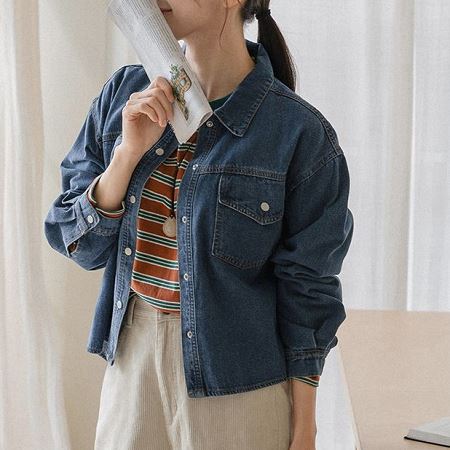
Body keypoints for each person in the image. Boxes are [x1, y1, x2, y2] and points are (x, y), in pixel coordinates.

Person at [44, 0, 354, 449]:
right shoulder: (123, 96)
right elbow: (74, 241)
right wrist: (126, 155)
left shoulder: (298, 133)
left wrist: (305, 428)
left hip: (239, 385)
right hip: (131, 366)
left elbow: (308, 290)